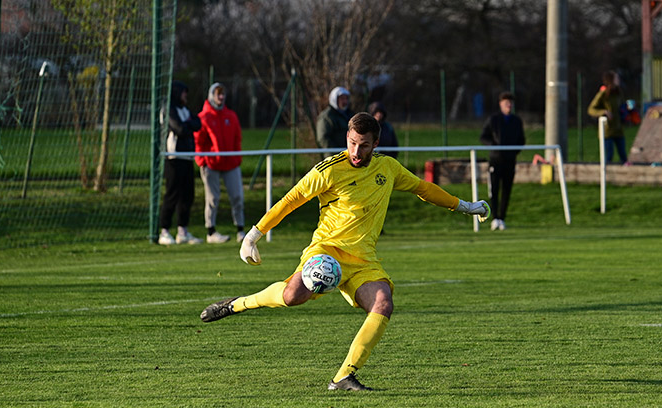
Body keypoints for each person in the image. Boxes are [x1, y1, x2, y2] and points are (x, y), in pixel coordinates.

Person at [200, 112, 491, 391]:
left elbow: (422, 188)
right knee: (291, 297)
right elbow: (291, 200)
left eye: (364, 145)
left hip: (363, 260)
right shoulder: (328, 170)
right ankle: (237, 304)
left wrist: (463, 206)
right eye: (352, 142)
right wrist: (253, 235)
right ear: (347, 137)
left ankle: (344, 376)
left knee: (382, 303)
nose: (356, 150)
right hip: (326, 250)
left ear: (376, 144)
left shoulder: (387, 168)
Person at [194, 82, 246, 243]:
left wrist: (236, 158)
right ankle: (211, 231)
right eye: (218, 94)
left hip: (230, 164)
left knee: (237, 196)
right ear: (211, 96)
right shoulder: (203, 118)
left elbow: (237, 138)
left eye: (223, 94)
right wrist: (202, 160)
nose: (221, 97)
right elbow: (198, 142)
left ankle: (240, 230)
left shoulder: (231, 116)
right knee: (212, 198)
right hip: (211, 165)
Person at [158, 81, 203, 246]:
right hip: (174, 158)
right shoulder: (169, 109)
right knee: (172, 195)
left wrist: (188, 125)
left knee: (187, 196)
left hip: (187, 157)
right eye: (184, 93)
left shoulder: (185, 110)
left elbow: (197, 123)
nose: (186, 96)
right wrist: (188, 126)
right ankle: (164, 231)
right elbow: (180, 129)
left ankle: (182, 231)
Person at [479, 91, 525, 231]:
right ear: (501, 104)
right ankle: (494, 218)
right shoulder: (494, 119)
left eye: (510, 102)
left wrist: (513, 152)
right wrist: (494, 147)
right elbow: (483, 137)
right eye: (506, 102)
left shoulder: (516, 121)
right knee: (494, 189)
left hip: (510, 161)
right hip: (496, 160)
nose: (508, 105)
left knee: (507, 190)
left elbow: (521, 140)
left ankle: (502, 218)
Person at [588, 70, 628, 164]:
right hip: (607, 131)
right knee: (608, 155)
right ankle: (607, 176)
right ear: (611, 80)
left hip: (618, 129)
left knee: (623, 156)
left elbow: (622, 106)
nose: (618, 80)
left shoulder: (618, 93)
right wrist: (603, 112)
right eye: (616, 78)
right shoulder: (603, 94)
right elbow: (591, 109)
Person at [316, 86, 355, 151]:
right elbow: (323, 138)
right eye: (342, 99)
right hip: (334, 156)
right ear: (334, 99)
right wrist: (336, 151)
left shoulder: (350, 114)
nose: (345, 101)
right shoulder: (326, 116)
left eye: (346, 99)